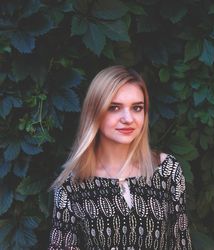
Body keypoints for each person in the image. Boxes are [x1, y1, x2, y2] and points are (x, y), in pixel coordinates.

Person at [48, 65, 192, 250]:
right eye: (114, 107)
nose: (128, 118)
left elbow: (181, 244)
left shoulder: (167, 170)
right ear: (95, 112)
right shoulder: (72, 183)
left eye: (137, 108)